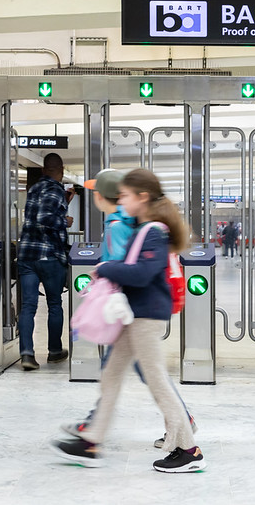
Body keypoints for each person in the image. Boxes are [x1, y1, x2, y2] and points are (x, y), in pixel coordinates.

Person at [49, 168, 206, 473]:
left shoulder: (155, 231)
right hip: (133, 313)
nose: (120, 200)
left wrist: (106, 268)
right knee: (110, 376)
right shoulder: (144, 228)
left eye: (125, 195)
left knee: (157, 379)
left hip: (146, 316)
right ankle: (91, 441)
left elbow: (143, 274)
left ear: (142, 197)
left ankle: (189, 449)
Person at [16, 153, 74, 371]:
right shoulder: (55, 189)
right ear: (62, 169)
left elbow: (38, 213)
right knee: (54, 304)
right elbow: (45, 218)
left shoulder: (34, 189)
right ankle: (54, 351)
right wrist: (64, 220)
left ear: (43, 170)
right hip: (49, 255)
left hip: (27, 255)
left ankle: (27, 354)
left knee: (28, 305)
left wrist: (64, 204)